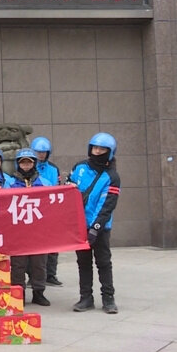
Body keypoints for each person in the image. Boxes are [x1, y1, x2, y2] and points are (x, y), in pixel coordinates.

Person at [69, 132, 120, 314]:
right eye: (95, 148)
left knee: (103, 262)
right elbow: (69, 189)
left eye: (102, 149)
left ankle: (108, 299)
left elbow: (107, 205)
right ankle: (85, 298)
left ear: (110, 152)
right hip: (79, 225)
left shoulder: (112, 176)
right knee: (83, 263)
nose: (97, 151)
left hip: (101, 227)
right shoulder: (80, 167)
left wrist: (95, 228)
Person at [4, 149, 51, 307]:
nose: (26, 165)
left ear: (34, 163)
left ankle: (39, 292)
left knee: (39, 264)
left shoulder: (44, 182)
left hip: (39, 230)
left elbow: (51, 203)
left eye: (29, 162)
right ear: (18, 164)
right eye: (23, 162)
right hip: (18, 231)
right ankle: (19, 293)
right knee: (18, 264)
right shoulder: (9, 183)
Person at [31, 137, 63, 286]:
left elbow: (57, 187)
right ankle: (33, 276)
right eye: (38, 152)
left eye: (44, 152)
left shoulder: (53, 169)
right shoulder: (28, 166)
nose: (41, 155)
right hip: (33, 209)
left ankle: (51, 274)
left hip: (49, 209)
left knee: (53, 245)